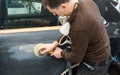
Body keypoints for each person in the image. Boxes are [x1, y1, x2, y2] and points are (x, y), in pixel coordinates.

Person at [39, 0, 111, 75]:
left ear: (63, 6)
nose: (54, 14)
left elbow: (76, 58)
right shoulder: (85, 2)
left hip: (93, 65)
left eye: (54, 11)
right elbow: (69, 29)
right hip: (103, 54)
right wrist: (54, 44)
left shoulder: (80, 26)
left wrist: (61, 53)